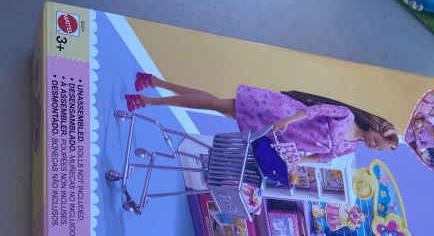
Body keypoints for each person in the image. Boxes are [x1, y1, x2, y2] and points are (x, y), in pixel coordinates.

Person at [124, 75, 398, 165]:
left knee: (219, 107)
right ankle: (149, 98)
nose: (374, 146)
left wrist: (295, 160)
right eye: (378, 141)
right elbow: (315, 110)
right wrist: (289, 119)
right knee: (218, 105)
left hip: (278, 135)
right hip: (279, 114)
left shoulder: (349, 148)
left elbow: (319, 158)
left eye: (378, 148)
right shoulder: (347, 116)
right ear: (376, 128)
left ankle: (153, 83)